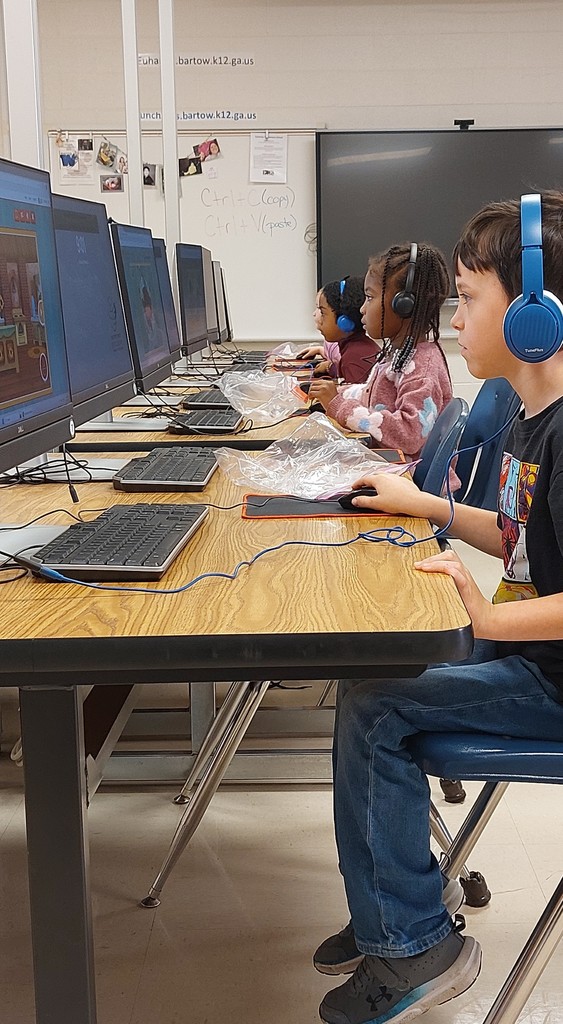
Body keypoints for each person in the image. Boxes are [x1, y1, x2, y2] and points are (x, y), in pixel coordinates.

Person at [313, 191, 563, 1024]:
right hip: (533, 657)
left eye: (470, 298)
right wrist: (428, 508)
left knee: (378, 703)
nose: (455, 319)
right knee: (375, 672)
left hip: (551, 678)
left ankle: (413, 939)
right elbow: (521, 535)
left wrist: (488, 623)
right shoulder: (536, 415)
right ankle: (392, 911)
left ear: (534, 315)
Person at [308, 244, 453, 460]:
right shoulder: (398, 353)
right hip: (387, 465)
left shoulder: (423, 367)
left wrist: (339, 406)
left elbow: (408, 434)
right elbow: (370, 393)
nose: (362, 309)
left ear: (404, 305)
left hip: (408, 480)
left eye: (370, 297)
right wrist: (337, 394)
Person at [297, 277, 379, 384]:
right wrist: (331, 368)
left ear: (344, 322)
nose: (319, 319)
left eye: (323, 313)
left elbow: (356, 399)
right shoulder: (357, 347)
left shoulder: (354, 357)